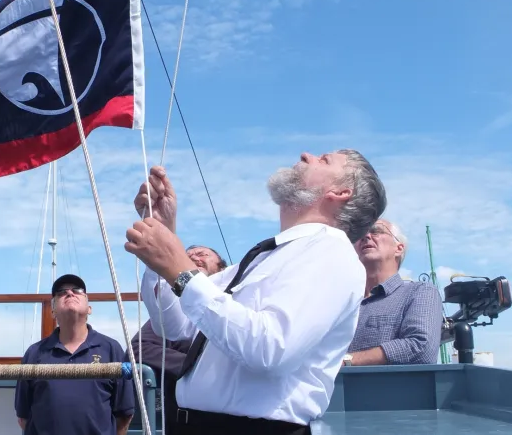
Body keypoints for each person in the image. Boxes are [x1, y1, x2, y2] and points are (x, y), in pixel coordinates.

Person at [124, 150, 386, 435]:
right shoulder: (265, 259)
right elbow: (174, 327)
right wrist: (165, 243)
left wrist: (182, 272)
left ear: (340, 192)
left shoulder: (332, 252)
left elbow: (271, 349)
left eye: (324, 159)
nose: (306, 154)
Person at [14, 274, 135, 435]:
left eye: (77, 290)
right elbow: (24, 417)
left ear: (89, 308)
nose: (70, 293)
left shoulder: (111, 349)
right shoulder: (34, 354)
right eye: (61, 292)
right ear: (52, 311)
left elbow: (124, 414)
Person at [130, 245, 227, 431]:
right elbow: (138, 349)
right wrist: (196, 364)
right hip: (189, 419)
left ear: (222, 268)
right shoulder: (175, 311)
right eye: (188, 257)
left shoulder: (240, 301)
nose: (194, 258)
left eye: (202, 254)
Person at [346, 219, 444, 365]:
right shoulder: (342, 303)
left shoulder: (420, 292)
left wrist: (347, 360)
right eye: (360, 234)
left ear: (398, 248)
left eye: (376, 231)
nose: (366, 236)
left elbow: (421, 347)